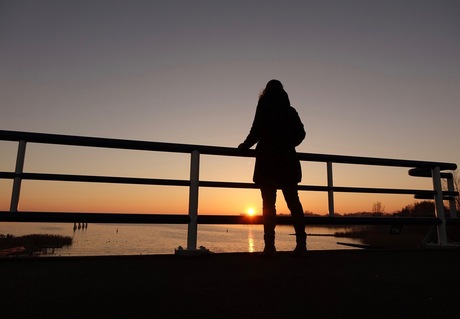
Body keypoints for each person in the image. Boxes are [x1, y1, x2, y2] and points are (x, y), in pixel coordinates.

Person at [238, 79, 307, 257]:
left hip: (267, 161)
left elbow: (255, 132)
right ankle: (301, 244)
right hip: (287, 161)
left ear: (266, 92)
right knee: (294, 203)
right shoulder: (290, 111)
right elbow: (301, 133)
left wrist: (244, 146)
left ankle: (269, 246)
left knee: (268, 204)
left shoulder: (264, 108)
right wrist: (287, 144)